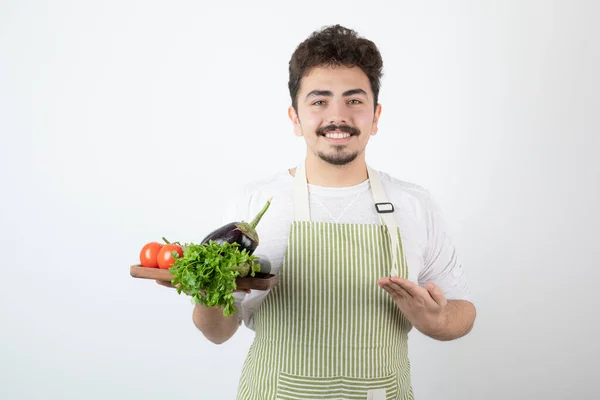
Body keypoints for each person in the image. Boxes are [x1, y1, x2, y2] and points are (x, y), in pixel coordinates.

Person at [161, 24, 476, 400]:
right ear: (295, 118)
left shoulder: (413, 203)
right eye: (319, 100)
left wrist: (436, 319)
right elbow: (217, 332)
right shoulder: (254, 204)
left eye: (354, 100)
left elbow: (463, 311)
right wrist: (208, 293)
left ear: (376, 117)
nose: (337, 116)